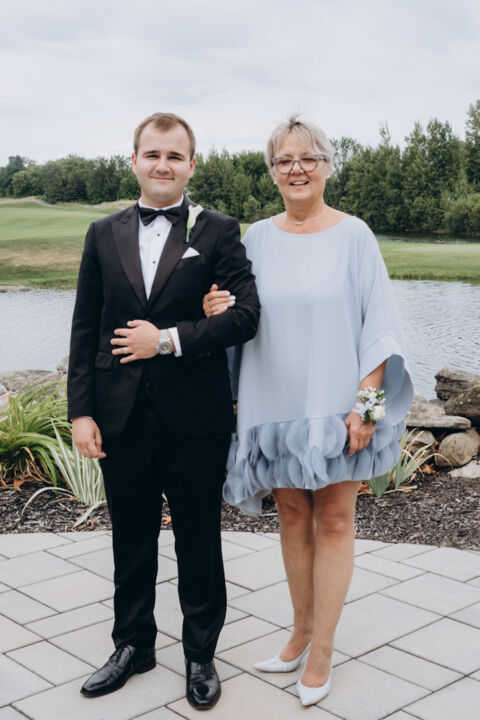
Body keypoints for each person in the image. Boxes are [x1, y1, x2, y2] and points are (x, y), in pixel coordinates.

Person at [203, 115, 413, 707]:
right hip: (273, 404)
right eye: (284, 160)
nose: (296, 169)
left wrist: (367, 406)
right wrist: (215, 307)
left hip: (337, 408)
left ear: (326, 166)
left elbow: (380, 329)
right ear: (272, 171)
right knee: (292, 516)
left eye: (308, 158)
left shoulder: (355, 237)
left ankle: (323, 650)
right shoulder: (256, 239)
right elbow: (240, 315)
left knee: (336, 520)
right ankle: (299, 632)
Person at [67, 112, 260, 710]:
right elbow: (85, 327)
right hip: (119, 415)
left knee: (199, 541)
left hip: (196, 418)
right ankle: (133, 646)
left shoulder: (219, 230)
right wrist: (81, 413)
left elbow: (246, 316)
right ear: (134, 161)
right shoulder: (102, 233)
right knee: (131, 539)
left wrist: (169, 339)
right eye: (152, 154)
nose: (163, 165)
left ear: (191, 165)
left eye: (175, 155)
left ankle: (200, 654)